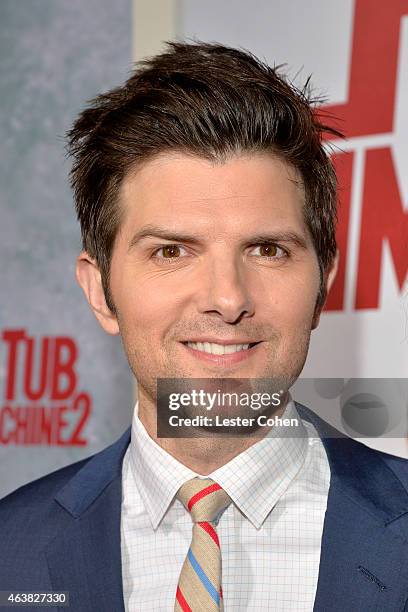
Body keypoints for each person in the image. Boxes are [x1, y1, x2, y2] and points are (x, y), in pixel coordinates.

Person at [1, 41, 407, 612]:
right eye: (172, 251)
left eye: (268, 249)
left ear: (323, 285)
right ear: (100, 291)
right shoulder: (10, 550)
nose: (227, 298)